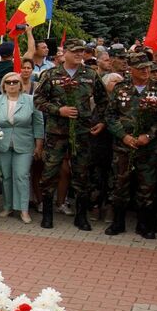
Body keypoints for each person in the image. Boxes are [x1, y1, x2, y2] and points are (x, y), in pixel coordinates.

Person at [104, 51, 157, 238]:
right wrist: (123, 135)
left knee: (147, 187)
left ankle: (144, 225)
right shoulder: (121, 88)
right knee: (120, 184)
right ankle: (118, 223)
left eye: (148, 68)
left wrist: (149, 135)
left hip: (149, 148)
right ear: (131, 70)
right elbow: (110, 115)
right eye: (141, 69)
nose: (145, 71)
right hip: (123, 146)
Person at [35, 43, 103, 229]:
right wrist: (59, 110)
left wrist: (101, 121)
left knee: (81, 173)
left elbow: (103, 100)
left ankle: (81, 216)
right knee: (50, 172)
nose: (79, 55)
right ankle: (47, 214)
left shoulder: (90, 74)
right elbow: (38, 100)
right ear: (65, 54)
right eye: (74, 52)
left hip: (81, 132)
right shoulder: (50, 75)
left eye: (81, 52)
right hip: (57, 132)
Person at [0, 72, 44, 222]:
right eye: (8, 82)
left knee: (22, 175)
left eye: (15, 82)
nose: (12, 85)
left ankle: (23, 209)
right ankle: (8, 206)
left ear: (21, 84)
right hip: (1, 144)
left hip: (25, 144)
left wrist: (39, 144)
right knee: (6, 176)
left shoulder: (31, 100)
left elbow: (39, 124)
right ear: (3, 85)